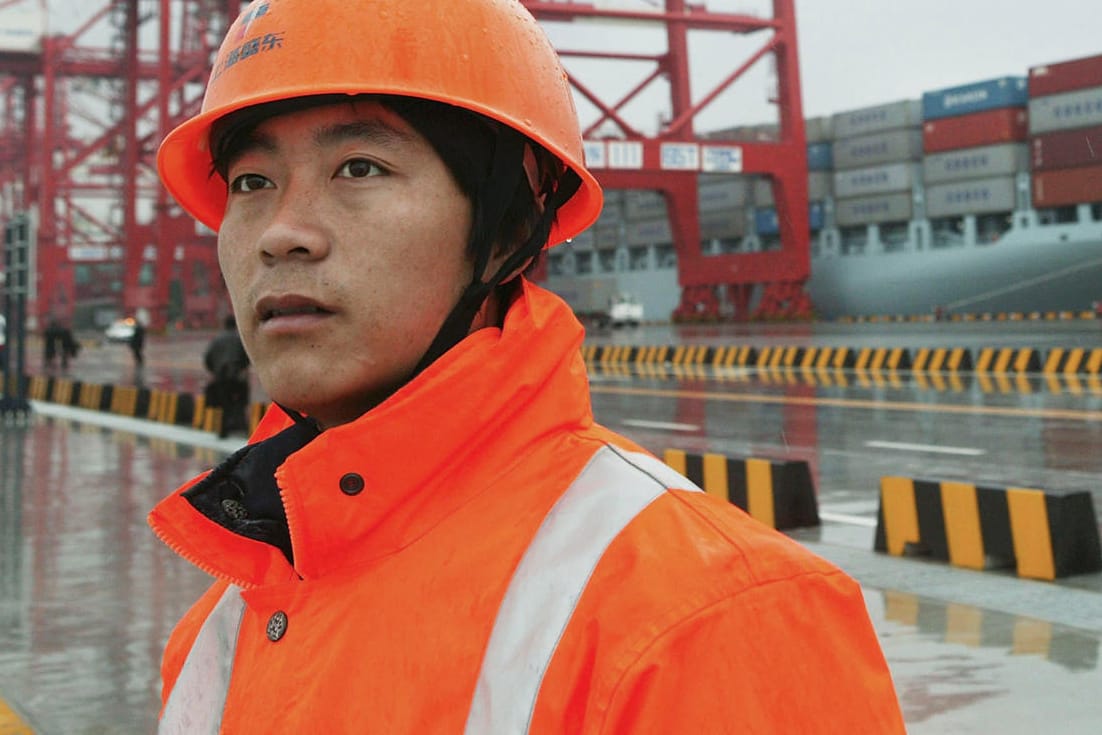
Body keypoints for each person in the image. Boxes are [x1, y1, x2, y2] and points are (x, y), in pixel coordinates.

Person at [147, 1, 906, 732]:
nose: (282, 233)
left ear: (509, 229)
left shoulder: (710, 615)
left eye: (360, 167)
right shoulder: (211, 634)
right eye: (251, 182)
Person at [203, 314, 251, 437]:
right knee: (241, 402)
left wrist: (214, 370)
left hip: (221, 377)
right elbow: (248, 356)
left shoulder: (216, 340)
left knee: (224, 404)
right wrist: (242, 368)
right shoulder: (240, 339)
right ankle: (244, 430)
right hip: (238, 377)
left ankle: (223, 431)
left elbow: (208, 358)